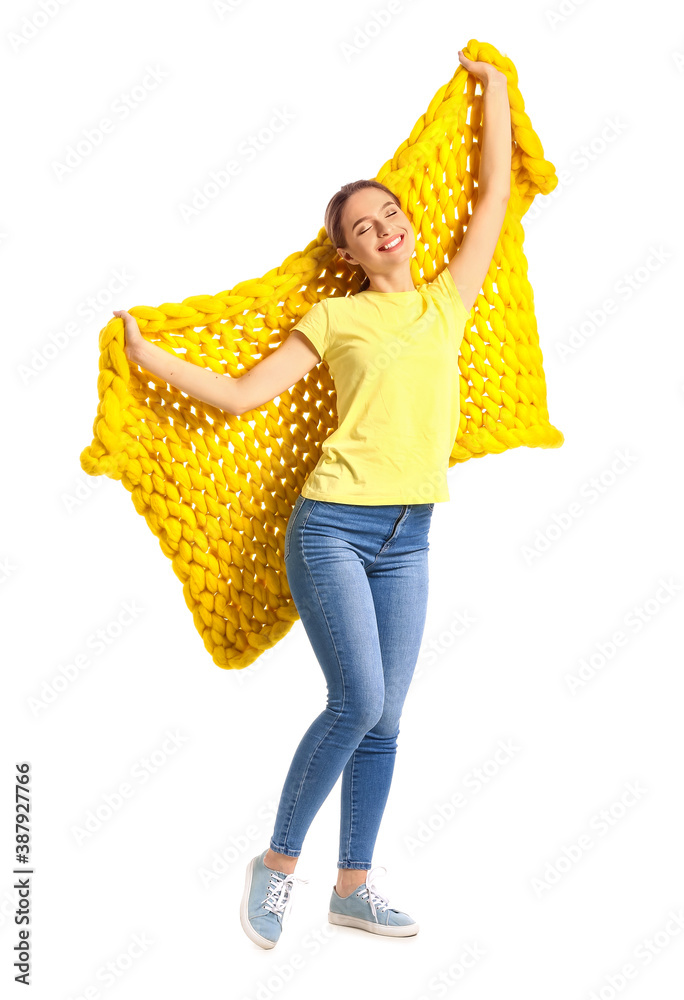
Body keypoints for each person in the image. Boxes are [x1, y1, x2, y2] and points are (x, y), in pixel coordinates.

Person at [116, 49, 512, 949]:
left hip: (411, 535)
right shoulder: (336, 318)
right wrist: (151, 360)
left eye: (391, 214)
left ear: (409, 225)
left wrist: (492, 92)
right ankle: (279, 865)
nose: (383, 229)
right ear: (345, 251)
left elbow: (489, 196)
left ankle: (355, 887)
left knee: (388, 719)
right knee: (357, 703)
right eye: (362, 226)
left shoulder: (447, 302)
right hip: (332, 527)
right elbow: (242, 396)